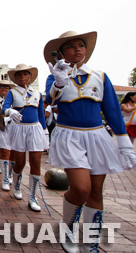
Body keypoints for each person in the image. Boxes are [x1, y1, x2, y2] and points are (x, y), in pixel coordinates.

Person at [44, 31, 136, 252]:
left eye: (81, 45)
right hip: (69, 135)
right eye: (71, 46)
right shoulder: (55, 76)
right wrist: (59, 81)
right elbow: (49, 100)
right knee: (80, 188)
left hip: (97, 136)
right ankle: (68, 230)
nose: (77, 49)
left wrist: (124, 143)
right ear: (61, 53)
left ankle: (90, 243)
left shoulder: (100, 76)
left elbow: (112, 110)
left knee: (96, 191)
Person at [2, 64, 48, 212]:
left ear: (30, 76)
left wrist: (45, 131)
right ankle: (16, 185)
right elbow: (4, 108)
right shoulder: (12, 92)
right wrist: (11, 111)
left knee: (36, 162)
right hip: (19, 128)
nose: (22, 77)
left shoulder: (37, 93)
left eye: (25, 74)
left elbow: (41, 114)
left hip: (34, 128)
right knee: (20, 162)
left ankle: (33, 197)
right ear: (15, 78)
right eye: (19, 75)